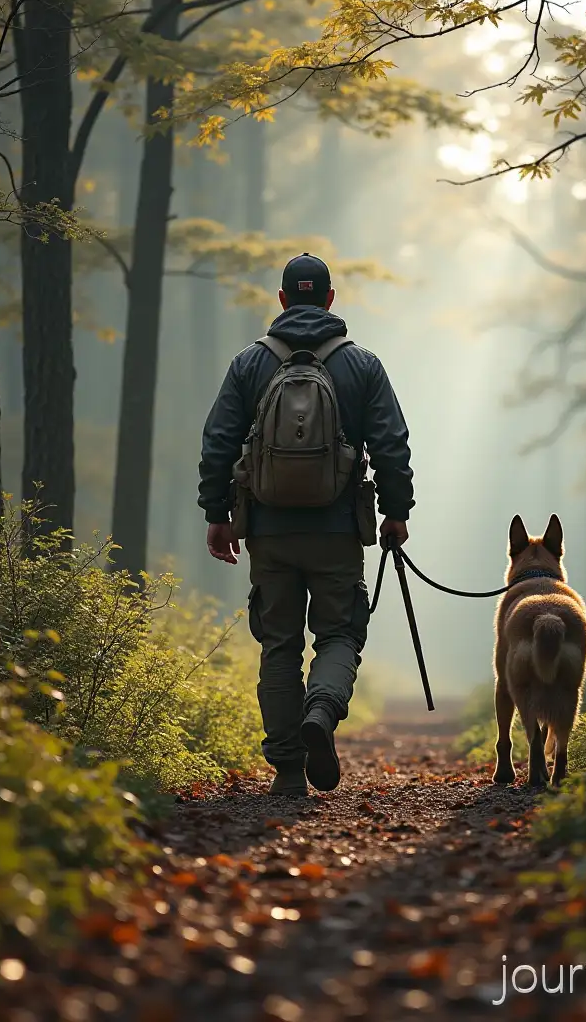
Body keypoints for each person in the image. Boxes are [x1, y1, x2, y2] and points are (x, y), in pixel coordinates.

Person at [198, 253, 414, 796]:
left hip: (268, 531)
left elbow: (218, 442)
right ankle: (321, 710)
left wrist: (217, 514)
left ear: (282, 300)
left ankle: (289, 769)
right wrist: (395, 512)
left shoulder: (249, 364)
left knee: (278, 645)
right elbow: (391, 444)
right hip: (338, 529)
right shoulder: (361, 365)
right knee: (340, 632)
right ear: (331, 301)